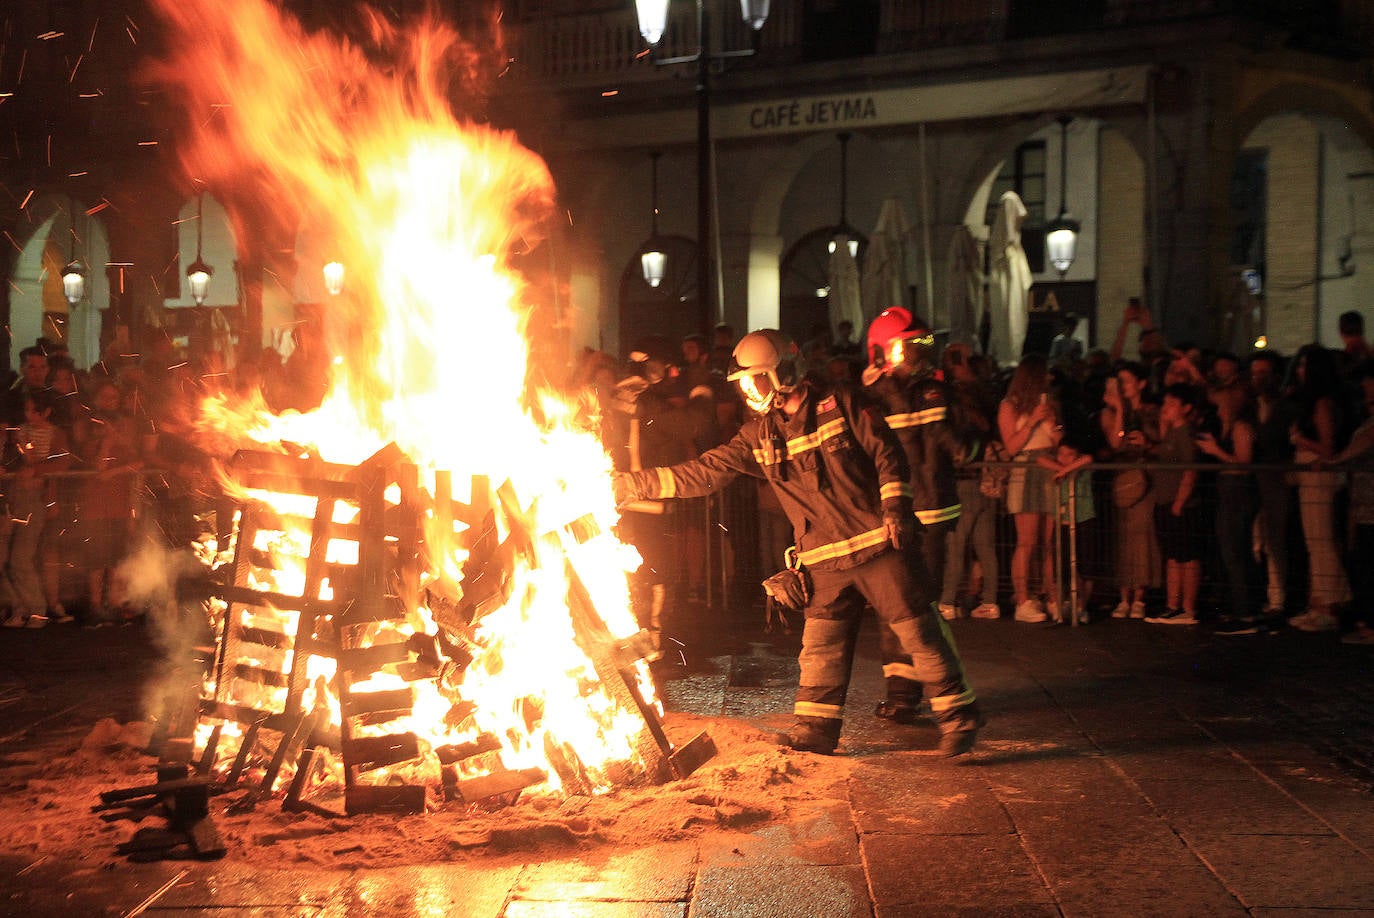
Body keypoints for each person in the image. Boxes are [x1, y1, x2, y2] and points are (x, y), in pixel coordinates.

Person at [613, 329, 983, 756]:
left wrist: (895, 508)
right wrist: (627, 486)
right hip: (823, 558)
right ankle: (816, 731)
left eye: (758, 380)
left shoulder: (840, 403)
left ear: (785, 373)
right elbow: (704, 472)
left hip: (877, 544)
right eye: (745, 384)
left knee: (919, 634)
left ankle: (959, 718)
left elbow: (887, 453)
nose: (751, 392)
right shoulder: (759, 434)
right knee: (820, 647)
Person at [862, 308, 963, 721]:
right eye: (911, 347)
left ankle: (919, 695)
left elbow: (947, 443)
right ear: (883, 352)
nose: (920, 355)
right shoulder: (888, 395)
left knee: (909, 606)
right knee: (904, 606)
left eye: (924, 345)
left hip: (915, 513)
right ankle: (908, 694)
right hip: (909, 512)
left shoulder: (911, 393)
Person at [1287, 345, 1352, 632]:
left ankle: (1330, 605)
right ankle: (1319, 604)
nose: (1299, 371)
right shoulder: (1312, 401)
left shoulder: (1322, 403)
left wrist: (1301, 441)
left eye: (1304, 365)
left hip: (1318, 473)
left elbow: (1328, 446)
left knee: (1321, 539)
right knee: (1315, 540)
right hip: (1310, 474)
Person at [938, 343, 1002, 622]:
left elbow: (954, 446)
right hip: (986, 481)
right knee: (985, 546)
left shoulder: (959, 414)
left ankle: (948, 601)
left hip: (962, 482)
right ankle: (990, 601)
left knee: (956, 545)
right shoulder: (988, 401)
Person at [998, 354, 1060, 622]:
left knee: (1049, 542)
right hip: (1025, 470)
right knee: (1027, 541)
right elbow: (1011, 446)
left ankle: (1052, 595)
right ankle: (1022, 599)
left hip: (1049, 467)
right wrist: (1033, 421)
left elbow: (1057, 440)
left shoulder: (1047, 404)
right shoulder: (1009, 406)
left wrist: (1051, 425)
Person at [1196, 380, 1260, 630]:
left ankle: (1246, 612)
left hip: (1238, 492)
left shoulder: (1241, 427)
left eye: (1222, 403)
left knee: (1235, 551)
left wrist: (1216, 451)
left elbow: (1244, 464)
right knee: (1231, 551)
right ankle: (1241, 607)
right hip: (1228, 491)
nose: (1218, 408)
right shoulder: (1226, 426)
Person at [1100, 362, 1160, 619]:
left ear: (1141, 384)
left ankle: (1140, 596)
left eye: (1126, 381)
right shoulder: (1110, 413)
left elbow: (1160, 439)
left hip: (1146, 477)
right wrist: (1120, 410)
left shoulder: (1151, 411)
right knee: (1123, 536)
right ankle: (1123, 596)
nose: (1123, 387)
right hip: (1123, 478)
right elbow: (1115, 441)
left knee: (1142, 535)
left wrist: (1147, 442)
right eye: (1119, 382)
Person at [1143, 385, 1203, 624]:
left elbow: (1190, 470)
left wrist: (1180, 501)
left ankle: (1187, 607)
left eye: (1171, 404)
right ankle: (1172, 604)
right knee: (1172, 555)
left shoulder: (1186, 433)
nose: (1165, 408)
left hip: (1181, 504)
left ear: (1186, 408)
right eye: (1165, 403)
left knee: (1186, 555)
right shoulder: (1171, 432)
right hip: (1165, 500)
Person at [1327, 361, 1374, 644]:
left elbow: (1367, 439)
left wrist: (1335, 460)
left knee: (1366, 567)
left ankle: (1370, 626)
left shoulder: (1369, 427)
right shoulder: (1367, 420)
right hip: (1364, 506)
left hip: (1370, 508)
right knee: (1362, 564)